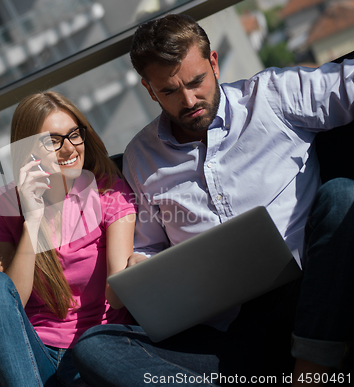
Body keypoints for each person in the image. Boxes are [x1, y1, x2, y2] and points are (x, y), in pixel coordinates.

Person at [72, 14, 354, 386]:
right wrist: (143, 264)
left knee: (342, 197)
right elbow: (149, 247)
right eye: (170, 92)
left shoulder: (272, 97)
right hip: (226, 331)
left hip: (308, 297)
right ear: (149, 89)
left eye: (196, 82)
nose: (189, 101)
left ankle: (311, 374)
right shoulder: (141, 155)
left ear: (214, 63)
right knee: (94, 346)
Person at [0, 91, 136, 387]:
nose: (69, 148)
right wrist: (32, 219)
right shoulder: (4, 203)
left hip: (97, 347)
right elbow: (8, 302)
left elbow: (117, 293)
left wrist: (139, 266)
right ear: (27, 151)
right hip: (31, 356)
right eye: (53, 141)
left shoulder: (108, 190)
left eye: (74, 135)